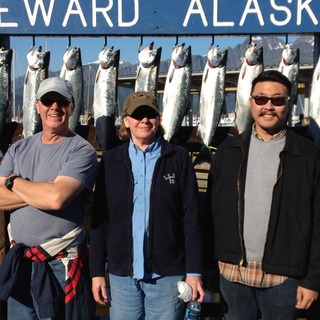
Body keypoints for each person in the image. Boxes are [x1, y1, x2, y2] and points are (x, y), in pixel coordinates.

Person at [206, 70, 320, 319]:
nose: (268, 106)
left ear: (288, 104)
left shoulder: (309, 155)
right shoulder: (228, 151)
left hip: (285, 275)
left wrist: (312, 279)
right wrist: (209, 267)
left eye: (277, 100)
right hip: (231, 272)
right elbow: (211, 214)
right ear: (250, 102)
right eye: (261, 99)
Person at [89, 91, 204, 320]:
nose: (144, 120)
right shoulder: (111, 160)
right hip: (122, 275)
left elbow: (191, 217)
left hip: (168, 274)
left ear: (159, 119)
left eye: (150, 114)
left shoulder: (178, 157)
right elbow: (100, 219)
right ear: (126, 120)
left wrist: (194, 271)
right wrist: (96, 272)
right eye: (137, 114)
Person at [0, 77, 98, 320]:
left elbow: (56, 199)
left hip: (59, 263)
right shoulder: (18, 148)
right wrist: (41, 191)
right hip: (19, 261)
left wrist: (14, 183)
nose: (54, 107)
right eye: (48, 101)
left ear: (71, 107)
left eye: (61, 101)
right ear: (37, 106)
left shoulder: (81, 150)